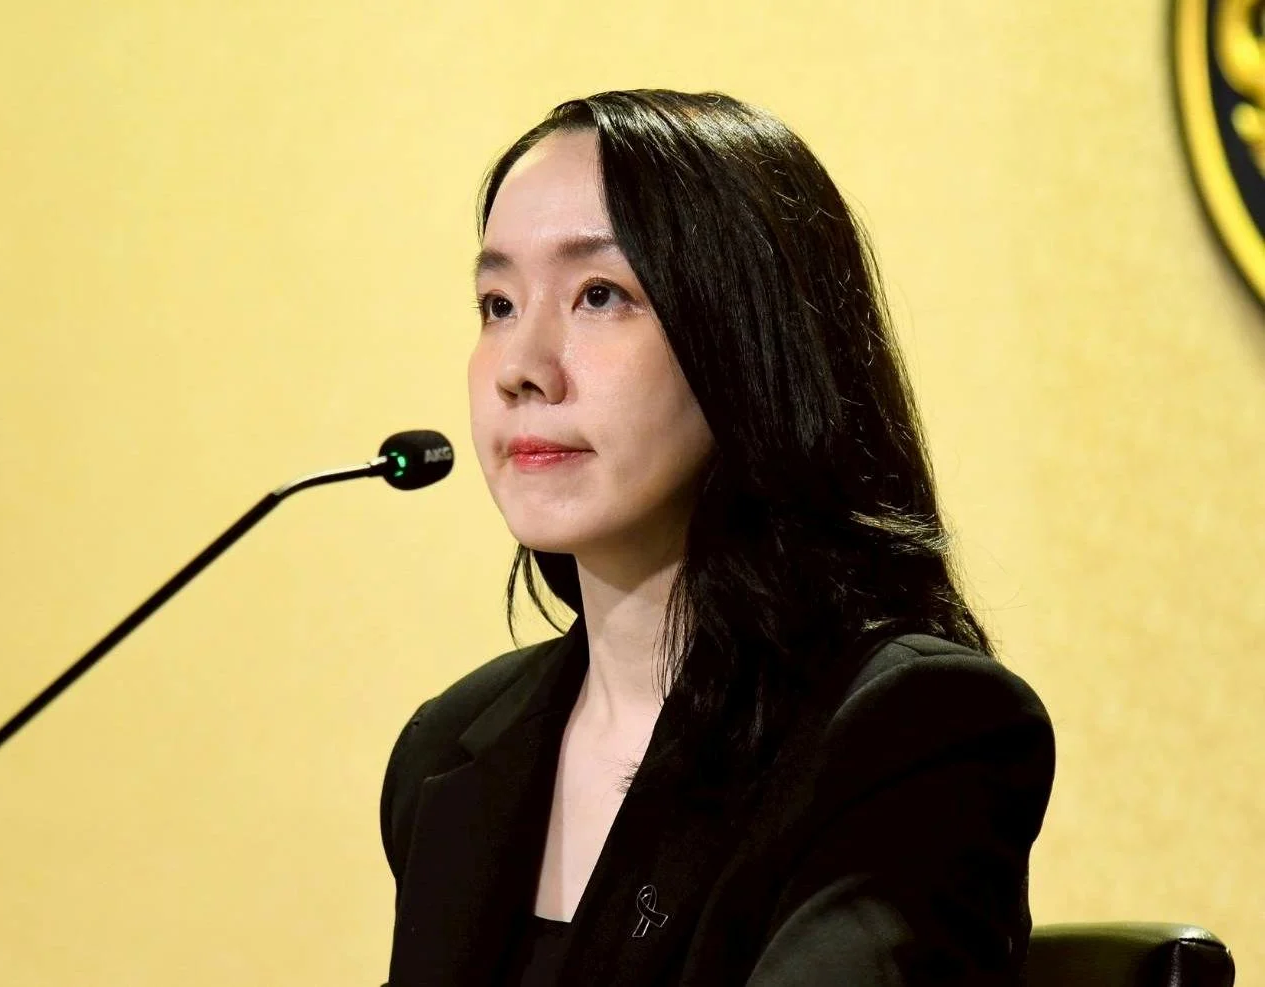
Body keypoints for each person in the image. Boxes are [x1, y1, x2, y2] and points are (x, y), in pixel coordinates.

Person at [378, 89, 1055, 987]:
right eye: (497, 303)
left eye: (599, 295)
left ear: (750, 342)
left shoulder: (907, 730)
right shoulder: (451, 749)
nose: (522, 369)